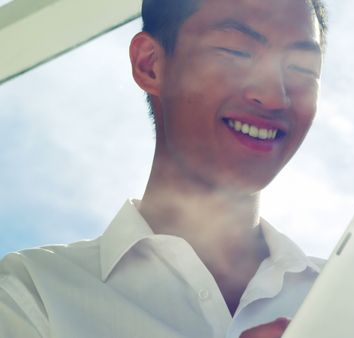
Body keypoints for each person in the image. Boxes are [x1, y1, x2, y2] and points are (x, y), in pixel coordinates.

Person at [0, 0, 328, 337]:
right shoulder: (30, 294)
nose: (274, 96)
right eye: (236, 52)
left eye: (302, 68)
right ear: (150, 64)